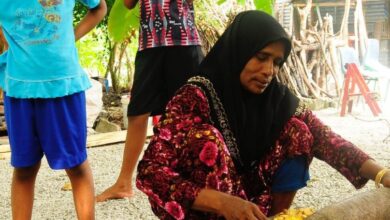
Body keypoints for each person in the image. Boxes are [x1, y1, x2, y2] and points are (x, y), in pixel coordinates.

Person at [135, 10, 390, 219]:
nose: (269, 70)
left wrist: (382, 175)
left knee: (299, 131)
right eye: (261, 57)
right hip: (200, 207)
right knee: (206, 141)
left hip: (251, 206)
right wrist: (223, 203)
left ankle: (278, 217)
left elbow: (326, 138)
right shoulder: (194, 96)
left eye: (277, 62)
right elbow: (150, 172)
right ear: (239, 51)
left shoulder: (276, 98)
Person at [0, 0, 107, 219]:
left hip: (64, 87)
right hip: (19, 90)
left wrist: (71, 38)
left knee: (76, 166)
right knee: (24, 168)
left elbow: (99, 7)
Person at [96, 0, 203, 202]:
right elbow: (128, 4)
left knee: (191, 112)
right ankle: (123, 183)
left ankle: (197, 178)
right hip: (150, 44)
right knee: (137, 112)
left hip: (184, 41)